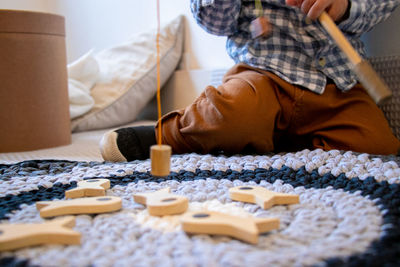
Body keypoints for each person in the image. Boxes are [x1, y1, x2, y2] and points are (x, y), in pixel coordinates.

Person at [100, 0, 400, 162]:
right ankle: (170, 134)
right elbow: (214, 21)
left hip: (337, 83)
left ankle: (275, 140)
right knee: (230, 114)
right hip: (264, 74)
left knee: (377, 146)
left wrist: (346, 6)